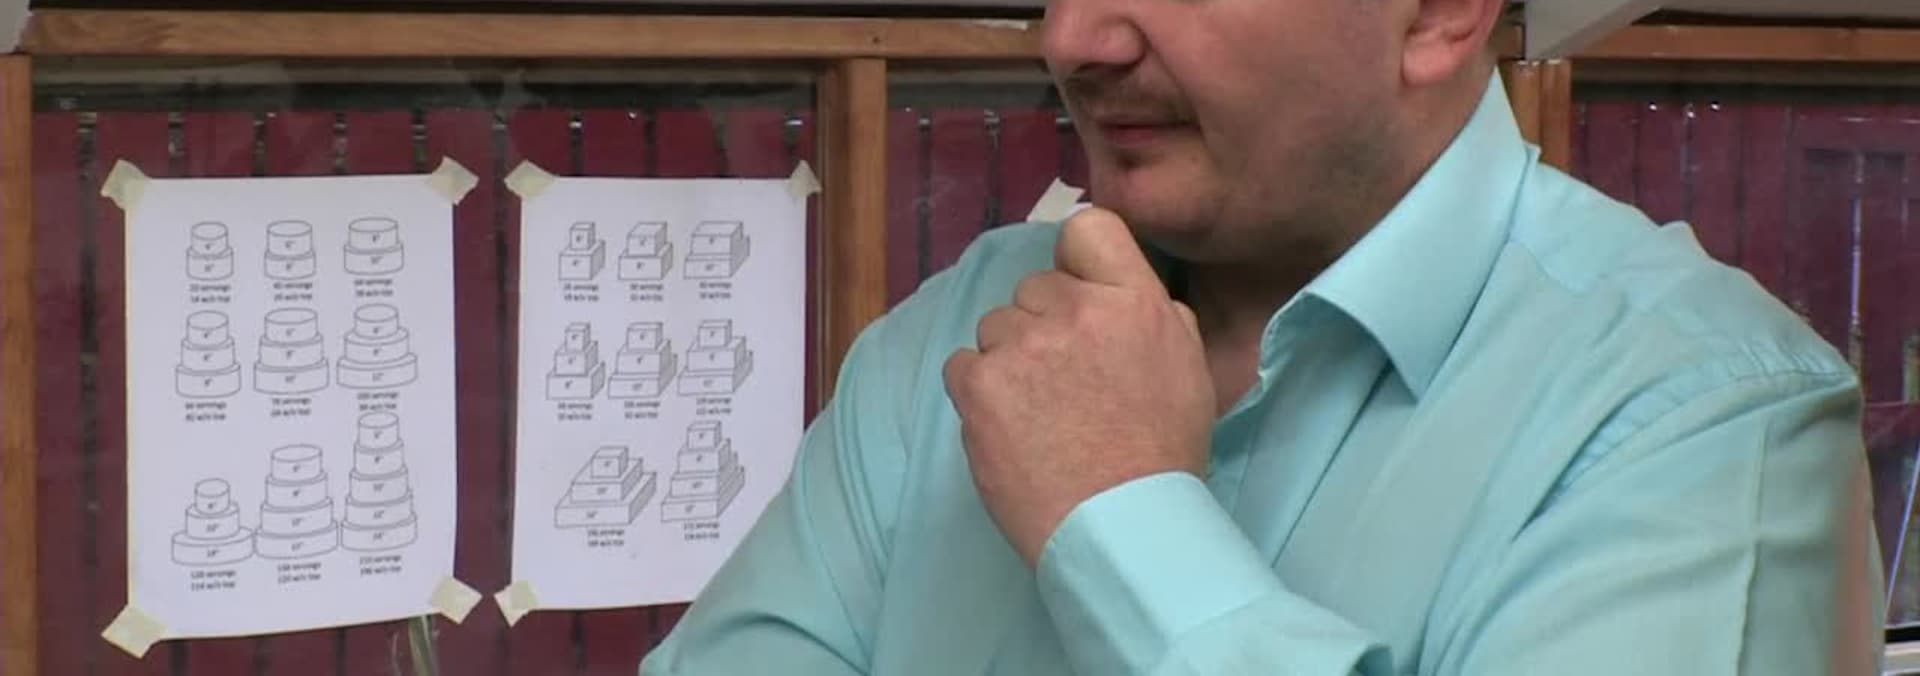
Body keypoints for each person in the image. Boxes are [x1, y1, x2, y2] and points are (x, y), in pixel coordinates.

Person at [640, 0, 1886, 672]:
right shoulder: (953, 339)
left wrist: (1123, 519)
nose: (1073, 37)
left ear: (1438, 14)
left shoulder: (1706, 419)